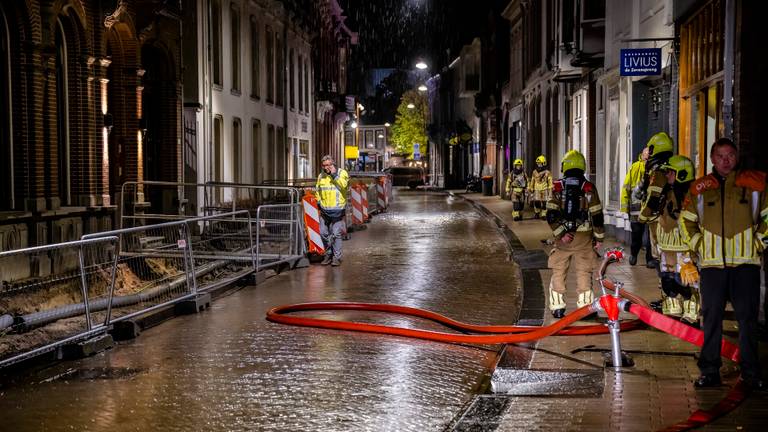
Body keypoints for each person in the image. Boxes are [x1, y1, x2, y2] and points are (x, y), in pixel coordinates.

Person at [680, 138, 767, 390]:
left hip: (745, 266)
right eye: (720, 156)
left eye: (730, 155)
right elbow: (686, 221)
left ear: (736, 157)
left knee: (747, 321)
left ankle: (751, 374)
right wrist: (698, 245)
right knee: (711, 319)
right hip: (712, 267)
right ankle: (709, 371)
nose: (726, 160)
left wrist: (759, 243)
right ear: (712, 158)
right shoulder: (699, 188)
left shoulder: (755, 185)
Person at [545, 150, 605, 318]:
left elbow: (550, 215)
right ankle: (585, 308)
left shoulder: (557, 186)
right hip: (584, 239)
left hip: (563, 241)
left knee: (558, 271)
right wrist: (599, 238)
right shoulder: (589, 188)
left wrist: (562, 234)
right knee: (584, 272)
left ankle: (557, 307)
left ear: (565, 166)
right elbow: (597, 215)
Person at [654, 155, 699, 324]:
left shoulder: (692, 195)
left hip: (684, 248)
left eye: (670, 172)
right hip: (666, 247)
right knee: (668, 281)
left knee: (688, 282)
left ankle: (691, 315)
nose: (667, 175)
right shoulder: (666, 192)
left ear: (681, 174)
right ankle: (673, 311)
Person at [639, 132, 675, 270]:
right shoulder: (669, 168)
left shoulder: (658, 171)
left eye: (651, 149)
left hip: (658, 218)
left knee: (660, 253)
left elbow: (653, 196)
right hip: (667, 216)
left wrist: (643, 216)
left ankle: (665, 284)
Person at [620, 148, 653, 266]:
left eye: (650, 154)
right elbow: (626, 188)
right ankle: (634, 254)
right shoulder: (635, 167)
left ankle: (650, 260)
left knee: (651, 237)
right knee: (636, 235)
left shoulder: (655, 169)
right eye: (647, 153)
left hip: (650, 208)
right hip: (636, 210)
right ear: (642, 154)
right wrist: (624, 207)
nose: (648, 155)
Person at [315, 155, 350, 266]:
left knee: (336, 234)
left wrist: (334, 175)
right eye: (324, 165)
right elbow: (318, 190)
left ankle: (337, 257)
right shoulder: (321, 176)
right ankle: (328, 254)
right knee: (323, 233)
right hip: (325, 210)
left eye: (329, 165)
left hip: (337, 210)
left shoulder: (342, 173)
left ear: (333, 164)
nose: (327, 168)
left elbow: (344, 185)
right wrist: (319, 202)